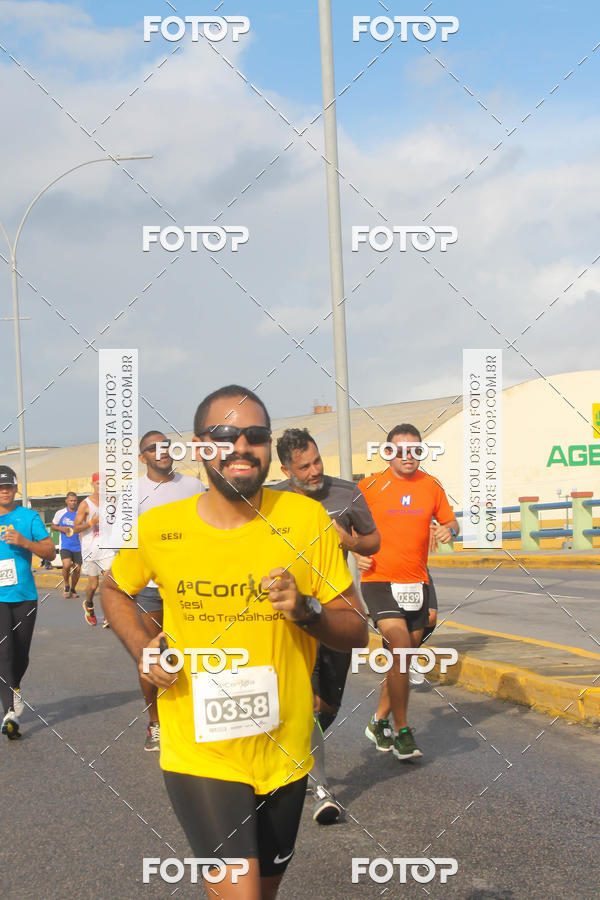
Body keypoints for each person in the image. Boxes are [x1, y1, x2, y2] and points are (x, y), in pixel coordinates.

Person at [102, 385, 367, 899]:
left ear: (269, 448)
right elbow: (114, 589)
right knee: (241, 893)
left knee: (260, 893)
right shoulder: (160, 527)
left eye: (255, 435)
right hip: (200, 747)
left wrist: (306, 611)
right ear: (201, 446)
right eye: (224, 435)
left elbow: (354, 626)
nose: (240, 445)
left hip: (284, 749)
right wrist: (144, 648)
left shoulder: (305, 521)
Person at [275, 427, 379, 824]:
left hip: (337, 609)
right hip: (292, 614)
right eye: (304, 466)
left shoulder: (346, 493)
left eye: (317, 461)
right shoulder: (275, 500)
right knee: (306, 704)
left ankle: (300, 755)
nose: (315, 470)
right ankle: (321, 788)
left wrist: (349, 543)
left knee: (327, 707)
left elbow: (373, 543)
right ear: (287, 469)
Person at [357, 424, 458, 760]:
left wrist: (448, 530)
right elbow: (341, 525)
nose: (408, 457)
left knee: (404, 658)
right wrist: (355, 550)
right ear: (388, 452)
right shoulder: (370, 486)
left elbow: (451, 521)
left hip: (416, 582)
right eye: (400, 450)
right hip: (378, 579)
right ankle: (402, 731)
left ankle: (378, 721)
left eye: (415, 450)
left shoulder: (431, 486)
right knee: (400, 648)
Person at [136, 430, 203, 752]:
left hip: (193, 588)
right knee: (152, 655)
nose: (161, 451)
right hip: (149, 590)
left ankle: (193, 720)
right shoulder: (132, 492)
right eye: (153, 448)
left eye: (165, 446)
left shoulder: (192, 485)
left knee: (194, 656)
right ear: (142, 456)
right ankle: (155, 722)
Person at [0, 466, 56, 739]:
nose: (3, 491)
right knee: (4, 651)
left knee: (20, 653)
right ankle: (10, 712)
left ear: (15, 488)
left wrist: (24, 542)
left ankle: (15, 688)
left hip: (24, 596)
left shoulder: (28, 517)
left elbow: (50, 550)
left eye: (7, 486)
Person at [74, 473, 115, 628]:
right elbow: (76, 527)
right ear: (93, 484)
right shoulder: (85, 504)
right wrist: (92, 522)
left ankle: (108, 614)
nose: (101, 486)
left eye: (104, 484)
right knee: (93, 585)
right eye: (98, 484)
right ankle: (89, 604)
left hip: (107, 549)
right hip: (90, 549)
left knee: (109, 582)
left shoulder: (110, 502)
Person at [52, 492, 82, 598]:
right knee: (66, 565)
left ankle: (73, 589)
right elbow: (53, 526)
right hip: (65, 545)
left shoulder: (80, 513)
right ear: (66, 501)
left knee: (77, 569)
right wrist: (61, 528)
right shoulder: (60, 513)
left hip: (78, 545)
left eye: (74, 501)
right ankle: (66, 584)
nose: (73, 503)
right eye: (71, 500)